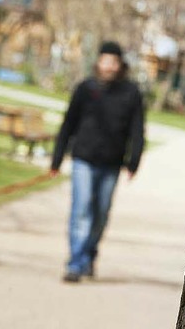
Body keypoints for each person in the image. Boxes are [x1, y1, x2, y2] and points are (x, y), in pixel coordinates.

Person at [50, 41, 145, 283]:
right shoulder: (85, 88)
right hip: (83, 158)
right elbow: (68, 124)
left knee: (100, 214)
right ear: (98, 62)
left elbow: (137, 129)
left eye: (114, 62)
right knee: (81, 210)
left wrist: (134, 161)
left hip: (112, 163)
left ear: (120, 65)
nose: (109, 66)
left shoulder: (131, 93)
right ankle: (75, 263)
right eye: (105, 61)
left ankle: (89, 253)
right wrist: (57, 158)